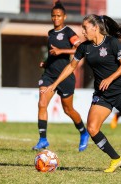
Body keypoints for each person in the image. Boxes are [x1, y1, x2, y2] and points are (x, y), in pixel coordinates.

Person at [44, 14, 121, 173]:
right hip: (102, 94)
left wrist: (109, 78)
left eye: (85, 28)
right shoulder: (84, 47)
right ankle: (116, 159)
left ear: (95, 28)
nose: (82, 31)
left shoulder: (112, 42)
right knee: (92, 128)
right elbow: (71, 67)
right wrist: (54, 83)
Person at [32, 1, 89, 152]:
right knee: (42, 103)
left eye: (59, 16)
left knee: (68, 110)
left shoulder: (69, 32)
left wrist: (61, 51)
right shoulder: (50, 34)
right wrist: (46, 62)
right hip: (49, 75)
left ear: (64, 16)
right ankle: (43, 139)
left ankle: (84, 132)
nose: (55, 18)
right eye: (53, 16)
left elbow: (80, 49)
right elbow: (53, 54)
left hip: (65, 76)